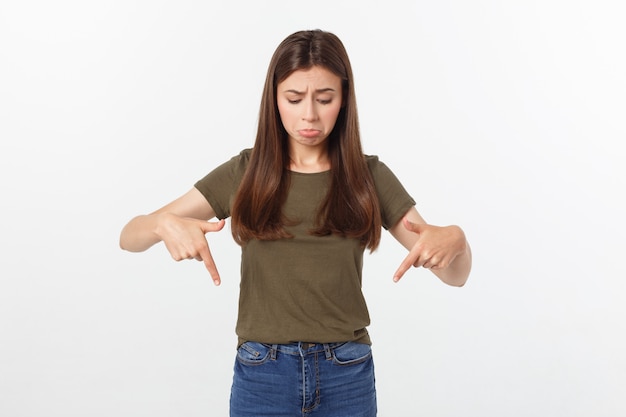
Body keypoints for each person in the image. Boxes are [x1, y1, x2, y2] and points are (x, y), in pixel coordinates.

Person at [120, 29, 471, 417]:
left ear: (344, 100)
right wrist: (162, 225)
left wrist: (456, 240)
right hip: (262, 373)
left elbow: (455, 275)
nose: (309, 114)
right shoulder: (246, 172)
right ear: (274, 99)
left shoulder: (368, 176)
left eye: (325, 99)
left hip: (347, 373)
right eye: (294, 98)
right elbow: (128, 237)